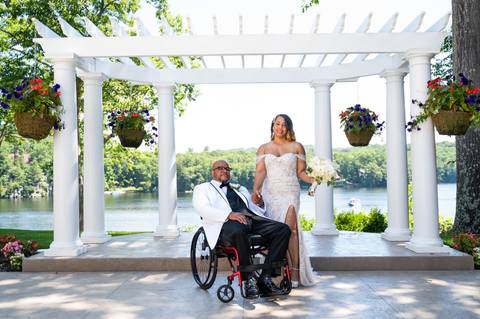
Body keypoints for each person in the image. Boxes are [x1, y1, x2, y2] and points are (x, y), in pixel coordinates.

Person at [192, 159, 291, 299]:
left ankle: (266, 277)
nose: (224, 170)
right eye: (220, 168)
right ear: (212, 172)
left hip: (251, 220)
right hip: (225, 223)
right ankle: (248, 279)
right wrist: (229, 215)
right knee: (239, 230)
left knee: (283, 229)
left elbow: (252, 208)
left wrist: (260, 203)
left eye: (227, 168)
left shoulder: (239, 188)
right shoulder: (202, 188)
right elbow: (202, 208)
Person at [252, 114, 316, 287]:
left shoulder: (297, 147)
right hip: (270, 193)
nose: (280, 127)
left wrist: (315, 178)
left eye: (284, 125)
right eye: (277, 124)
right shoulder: (264, 148)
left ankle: (295, 271)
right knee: (275, 231)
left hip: (290, 191)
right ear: (272, 125)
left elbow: (301, 172)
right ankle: (277, 271)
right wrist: (255, 190)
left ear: (288, 127)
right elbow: (260, 172)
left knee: (291, 229)